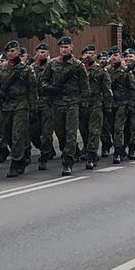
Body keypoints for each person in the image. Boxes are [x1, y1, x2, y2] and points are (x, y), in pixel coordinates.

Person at [41, 36, 89, 175]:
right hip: (57, 103)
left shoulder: (78, 65)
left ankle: (68, 161)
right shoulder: (52, 64)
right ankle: (69, 149)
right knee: (60, 132)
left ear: (72, 47)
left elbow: (84, 86)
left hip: (73, 102)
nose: (64, 49)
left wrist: (84, 104)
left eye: (66, 47)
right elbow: (44, 80)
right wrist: (49, 88)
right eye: (62, 47)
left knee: (71, 133)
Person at [0, 40, 38, 178]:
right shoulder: (1, 68)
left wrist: (33, 108)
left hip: (20, 105)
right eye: (8, 51)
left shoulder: (26, 69)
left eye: (13, 51)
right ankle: (20, 155)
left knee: (17, 135)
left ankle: (16, 163)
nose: (10, 54)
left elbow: (33, 90)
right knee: (7, 135)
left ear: (18, 51)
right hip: (5, 106)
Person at [80, 45, 112, 169]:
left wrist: (108, 105)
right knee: (84, 130)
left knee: (94, 130)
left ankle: (92, 155)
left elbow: (107, 89)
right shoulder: (78, 68)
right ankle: (86, 148)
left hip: (96, 104)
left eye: (92, 53)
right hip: (81, 104)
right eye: (87, 53)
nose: (89, 55)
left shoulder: (100, 71)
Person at [105, 46, 135, 163]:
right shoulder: (106, 71)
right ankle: (121, 147)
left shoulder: (125, 71)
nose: (114, 57)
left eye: (116, 55)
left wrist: (131, 103)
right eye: (112, 55)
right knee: (112, 128)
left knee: (119, 128)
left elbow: (132, 87)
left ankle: (117, 151)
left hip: (122, 103)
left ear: (120, 57)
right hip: (110, 104)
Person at [30, 42, 56, 170]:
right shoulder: (31, 67)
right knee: (34, 132)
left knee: (47, 132)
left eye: (43, 52)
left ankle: (44, 156)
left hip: (47, 103)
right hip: (35, 103)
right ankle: (46, 149)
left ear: (48, 53)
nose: (41, 54)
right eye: (39, 52)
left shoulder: (52, 67)